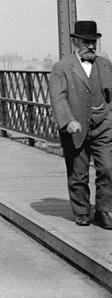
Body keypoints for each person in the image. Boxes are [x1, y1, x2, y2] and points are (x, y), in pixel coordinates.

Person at [49, 20, 112, 230]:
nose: (91, 46)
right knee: (78, 171)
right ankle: (82, 212)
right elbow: (58, 97)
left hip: (103, 124)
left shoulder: (105, 65)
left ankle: (103, 210)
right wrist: (68, 120)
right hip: (76, 126)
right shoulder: (62, 67)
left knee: (108, 168)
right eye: (86, 42)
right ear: (76, 42)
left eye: (93, 42)